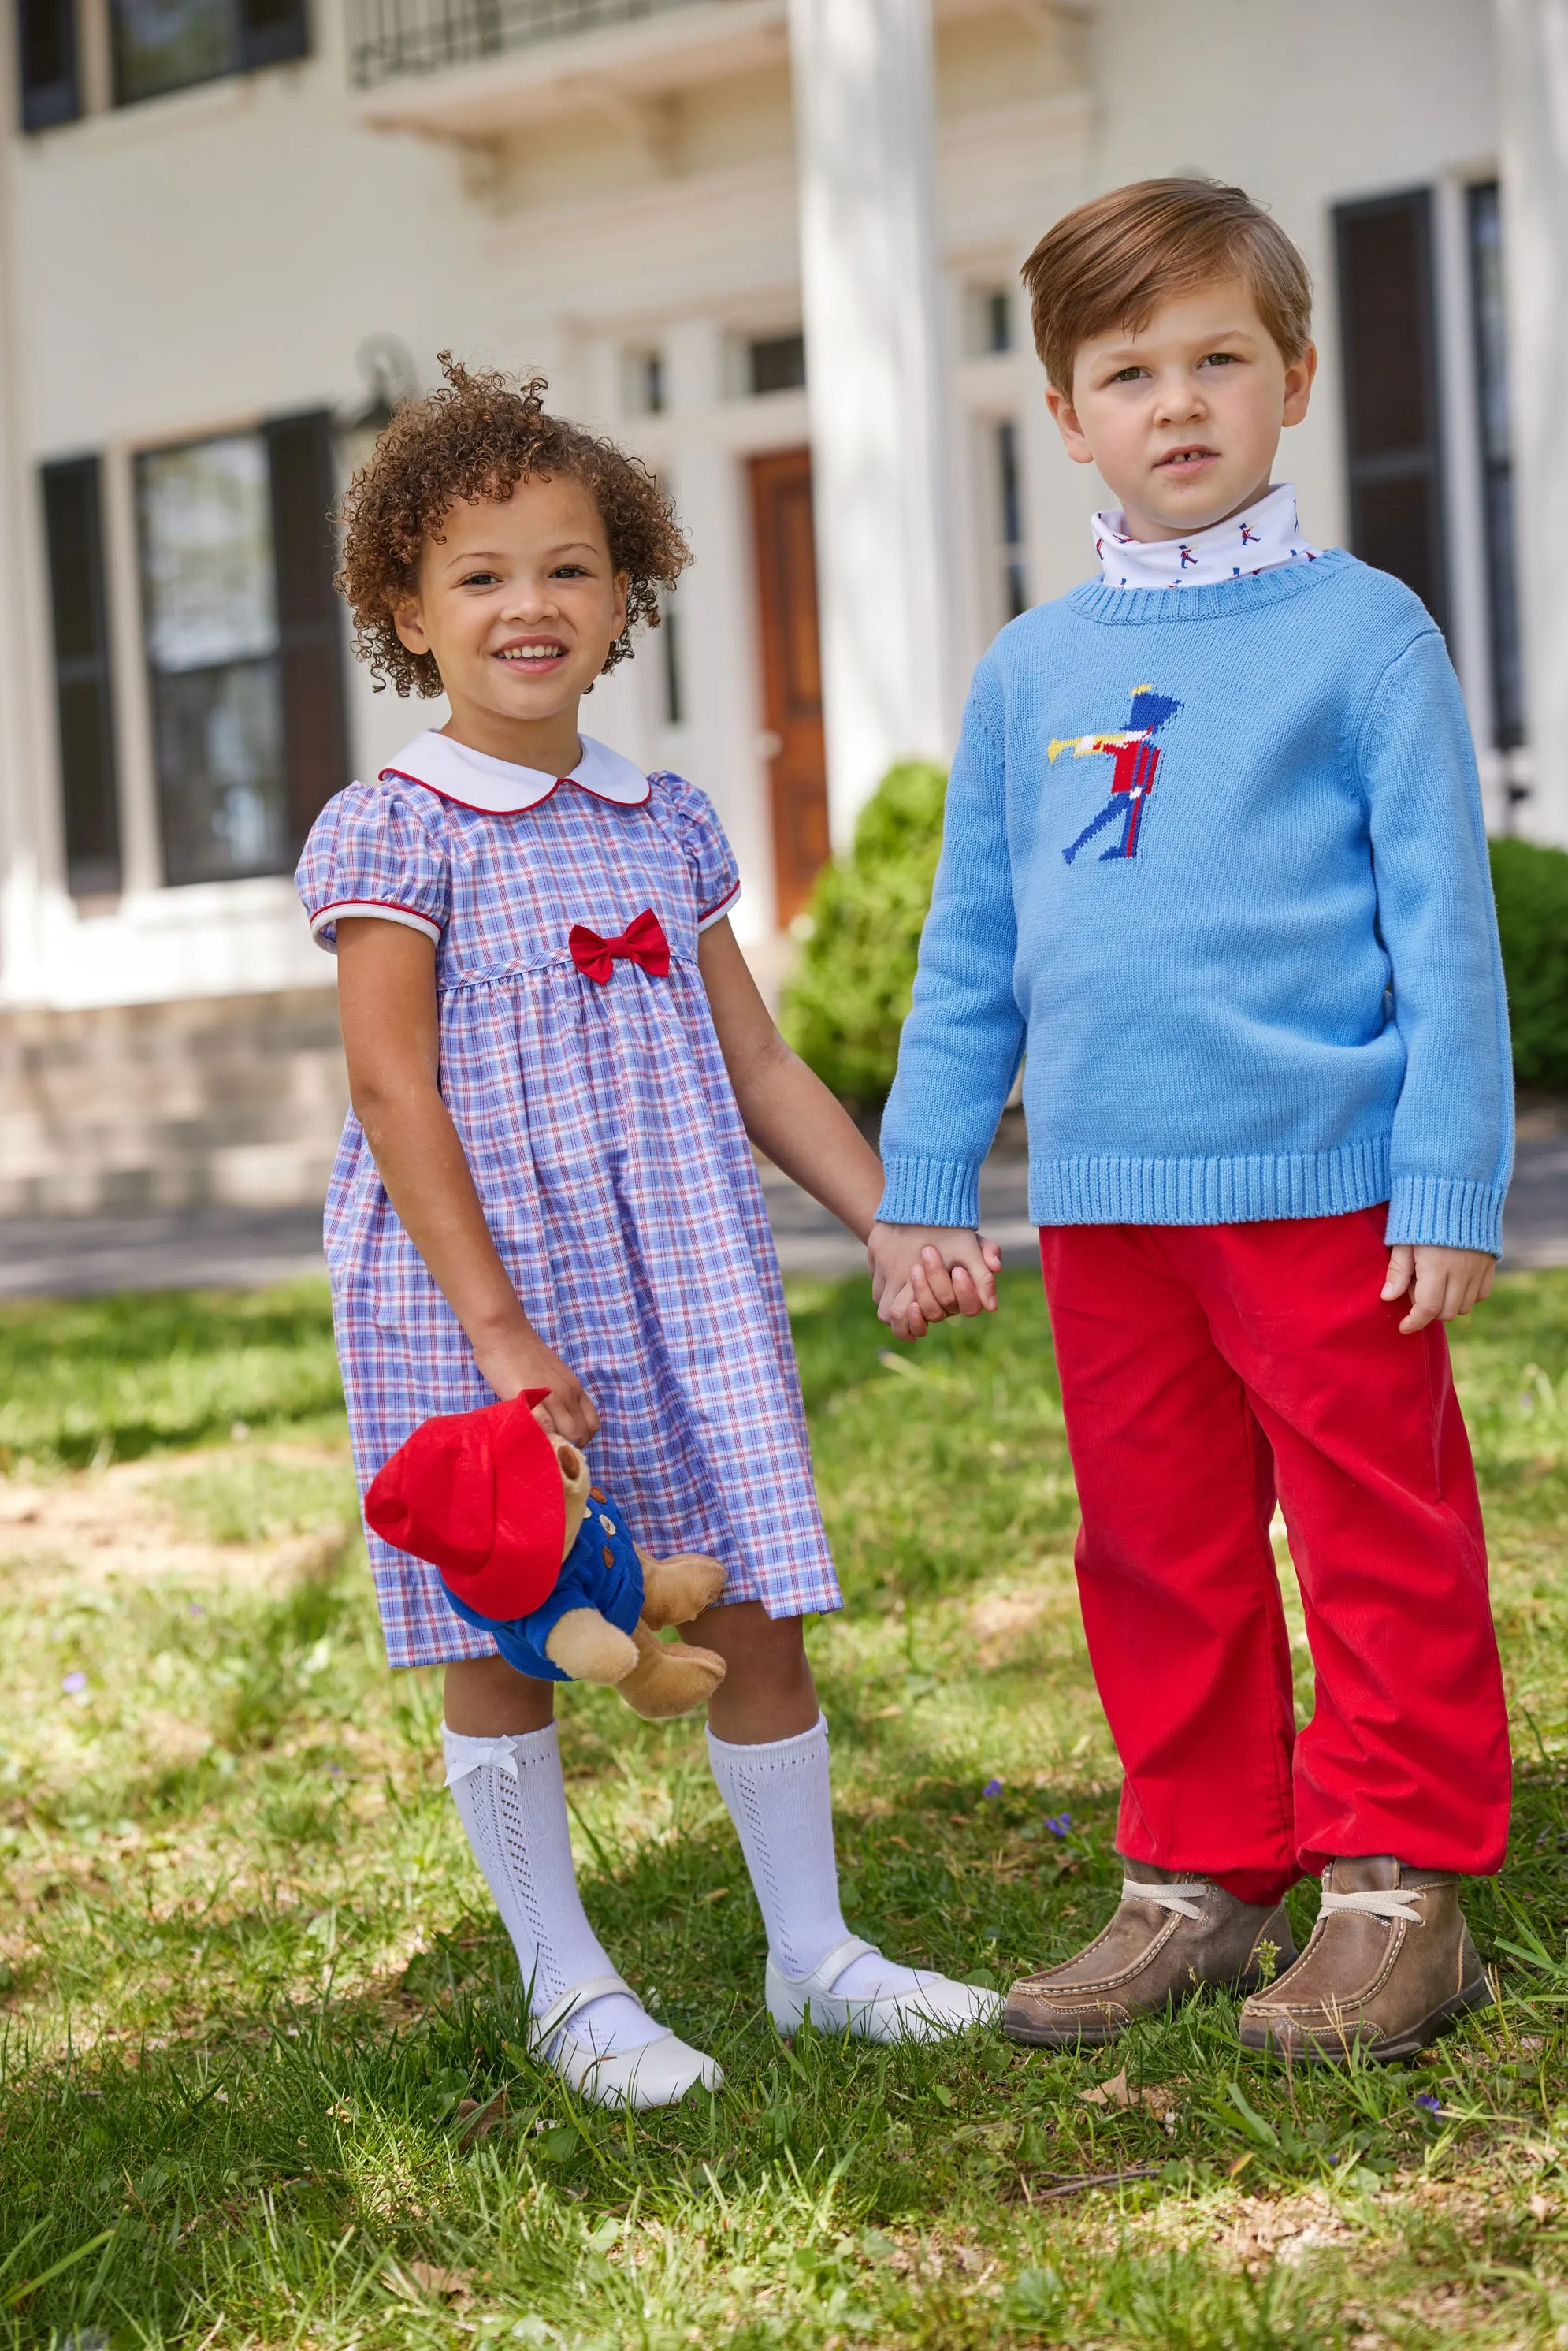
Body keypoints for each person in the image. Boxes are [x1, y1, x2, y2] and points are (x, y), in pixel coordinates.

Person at [295, 358, 998, 2111]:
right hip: (477, 1286)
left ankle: (812, 1954)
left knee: (756, 1601)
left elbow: (753, 1058)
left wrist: (891, 1216)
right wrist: (499, 1335)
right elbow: (394, 1094)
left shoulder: (663, 817)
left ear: (625, 597)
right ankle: (565, 1979)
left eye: (568, 567)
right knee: (506, 1626)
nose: (527, 604)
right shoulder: (395, 827)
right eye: (478, 575)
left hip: (679, 1272)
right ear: (404, 606)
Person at [867, 180, 1513, 2064]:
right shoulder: (1028, 670)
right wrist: (924, 1179)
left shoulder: (1361, 634)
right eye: (1125, 370)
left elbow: (1440, 933)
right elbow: (969, 944)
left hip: (1321, 1188)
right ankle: (1196, 1872)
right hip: (1104, 1207)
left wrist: (1444, 1174)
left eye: (1215, 358)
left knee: (1372, 1527)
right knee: (1156, 1542)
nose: (1175, 402)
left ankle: (1396, 1883)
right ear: (1063, 414)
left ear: (1292, 379)